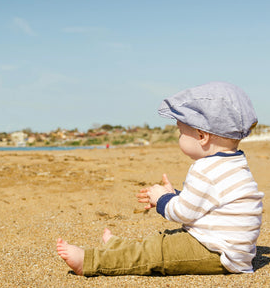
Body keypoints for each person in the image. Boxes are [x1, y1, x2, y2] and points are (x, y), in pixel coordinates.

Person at [57, 81, 264, 276]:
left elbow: (183, 213)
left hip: (217, 252)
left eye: (181, 132)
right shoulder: (235, 163)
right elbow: (208, 203)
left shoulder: (205, 169)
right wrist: (175, 195)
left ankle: (90, 261)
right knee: (165, 238)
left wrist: (162, 200)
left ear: (202, 136)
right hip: (234, 250)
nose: (179, 137)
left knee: (158, 251)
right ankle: (118, 247)